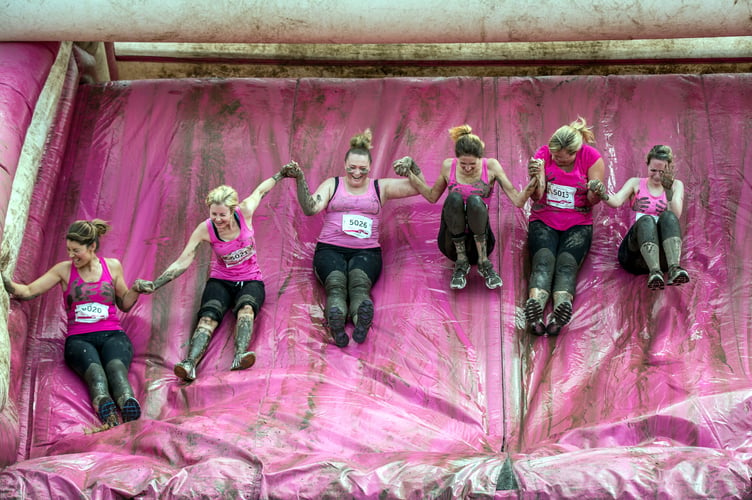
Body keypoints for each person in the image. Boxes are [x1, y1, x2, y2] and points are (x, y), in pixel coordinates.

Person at [133, 173, 283, 382]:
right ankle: (189, 364)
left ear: (233, 210)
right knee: (207, 317)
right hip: (221, 280)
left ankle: (240, 355)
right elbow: (183, 261)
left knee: (246, 309)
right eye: (214, 214)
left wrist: (280, 174)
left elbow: (261, 190)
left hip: (251, 280)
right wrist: (156, 284)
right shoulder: (206, 229)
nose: (218, 219)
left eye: (222, 215)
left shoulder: (245, 211)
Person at [280, 129, 420, 348]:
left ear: (369, 168)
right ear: (344, 166)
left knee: (358, 284)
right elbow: (310, 208)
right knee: (336, 285)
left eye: (362, 169)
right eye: (352, 168)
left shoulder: (379, 187)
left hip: (366, 252)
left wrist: (412, 166)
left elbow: (417, 188)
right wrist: (300, 179)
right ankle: (337, 321)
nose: (357, 173)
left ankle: (359, 320)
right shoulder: (332, 184)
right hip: (330, 249)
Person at [2, 219, 143, 427]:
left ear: (92, 246)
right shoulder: (63, 270)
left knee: (116, 369)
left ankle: (127, 403)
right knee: (96, 373)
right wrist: (5, 281)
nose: (71, 255)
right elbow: (29, 290)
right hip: (79, 339)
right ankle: (106, 409)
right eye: (68, 250)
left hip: (113, 334)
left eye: (76, 250)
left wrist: (137, 289)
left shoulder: (112, 267)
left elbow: (125, 303)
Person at [394, 124, 539, 290]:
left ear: (480, 158)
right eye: (463, 164)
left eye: (473, 164)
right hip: (452, 243)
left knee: (474, 201)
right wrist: (410, 171)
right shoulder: (449, 166)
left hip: (481, 239)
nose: (468, 168)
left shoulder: (491, 166)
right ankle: (461, 263)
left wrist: (536, 178)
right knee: (454, 198)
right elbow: (431, 196)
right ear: (456, 159)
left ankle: (484, 263)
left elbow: (518, 201)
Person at [524, 117, 606, 336]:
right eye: (554, 156)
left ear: (574, 153)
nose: (556, 160)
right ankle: (535, 310)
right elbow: (537, 195)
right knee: (543, 260)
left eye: (561, 158)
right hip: (545, 219)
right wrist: (535, 178)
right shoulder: (543, 155)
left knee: (566, 264)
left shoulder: (591, 158)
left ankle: (561, 310)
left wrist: (595, 190)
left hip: (578, 222)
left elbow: (591, 200)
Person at [590, 144, 689, 289]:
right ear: (647, 165)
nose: (656, 175)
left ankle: (674, 268)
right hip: (635, 255)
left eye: (661, 171)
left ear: (669, 168)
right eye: (653, 170)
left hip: (663, 257)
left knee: (667, 216)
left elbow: (675, 216)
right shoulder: (635, 183)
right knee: (646, 220)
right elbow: (616, 201)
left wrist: (668, 193)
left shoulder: (676, 186)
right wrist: (602, 193)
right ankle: (654, 272)